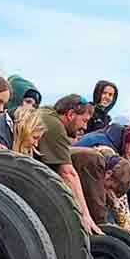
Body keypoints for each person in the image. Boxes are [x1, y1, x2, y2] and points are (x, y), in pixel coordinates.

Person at [33, 94, 103, 235]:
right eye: (84, 120)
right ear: (70, 114)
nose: (85, 127)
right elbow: (68, 173)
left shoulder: (48, 112)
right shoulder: (54, 125)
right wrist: (85, 215)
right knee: (89, 157)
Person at [70, 145, 130, 228]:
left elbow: (109, 199)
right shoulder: (94, 162)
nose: (107, 190)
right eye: (110, 187)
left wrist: (123, 222)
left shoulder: (106, 163)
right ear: (109, 174)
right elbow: (96, 201)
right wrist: (109, 229)